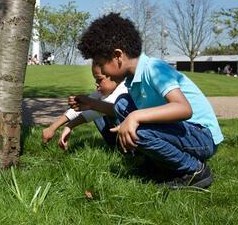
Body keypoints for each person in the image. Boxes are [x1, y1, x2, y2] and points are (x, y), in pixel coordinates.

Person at [70, 13, 223, 189]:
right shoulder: (132, 79)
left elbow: (184, 109)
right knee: (122, 104)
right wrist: (92, 103)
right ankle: (158, 164)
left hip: (201, 136)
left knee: (139, 128)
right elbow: (118, 111)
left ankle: (195, 171)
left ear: (118, 55)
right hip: (184, 133)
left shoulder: (154, 69)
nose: (102, 72)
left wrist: (135, 117)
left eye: (101, 63)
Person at [41, 63, 128, 149]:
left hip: (132, 139)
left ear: (116, 76)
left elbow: (96, 111)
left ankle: (126, 149)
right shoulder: (103, 92)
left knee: (98, 107)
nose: (96, 83)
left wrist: (69, 126)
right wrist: (52, 128)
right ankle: (115, 146)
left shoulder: (124, 89)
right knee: (94, 104)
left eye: (100, 79)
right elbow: (81, 107)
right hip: (118, 136)